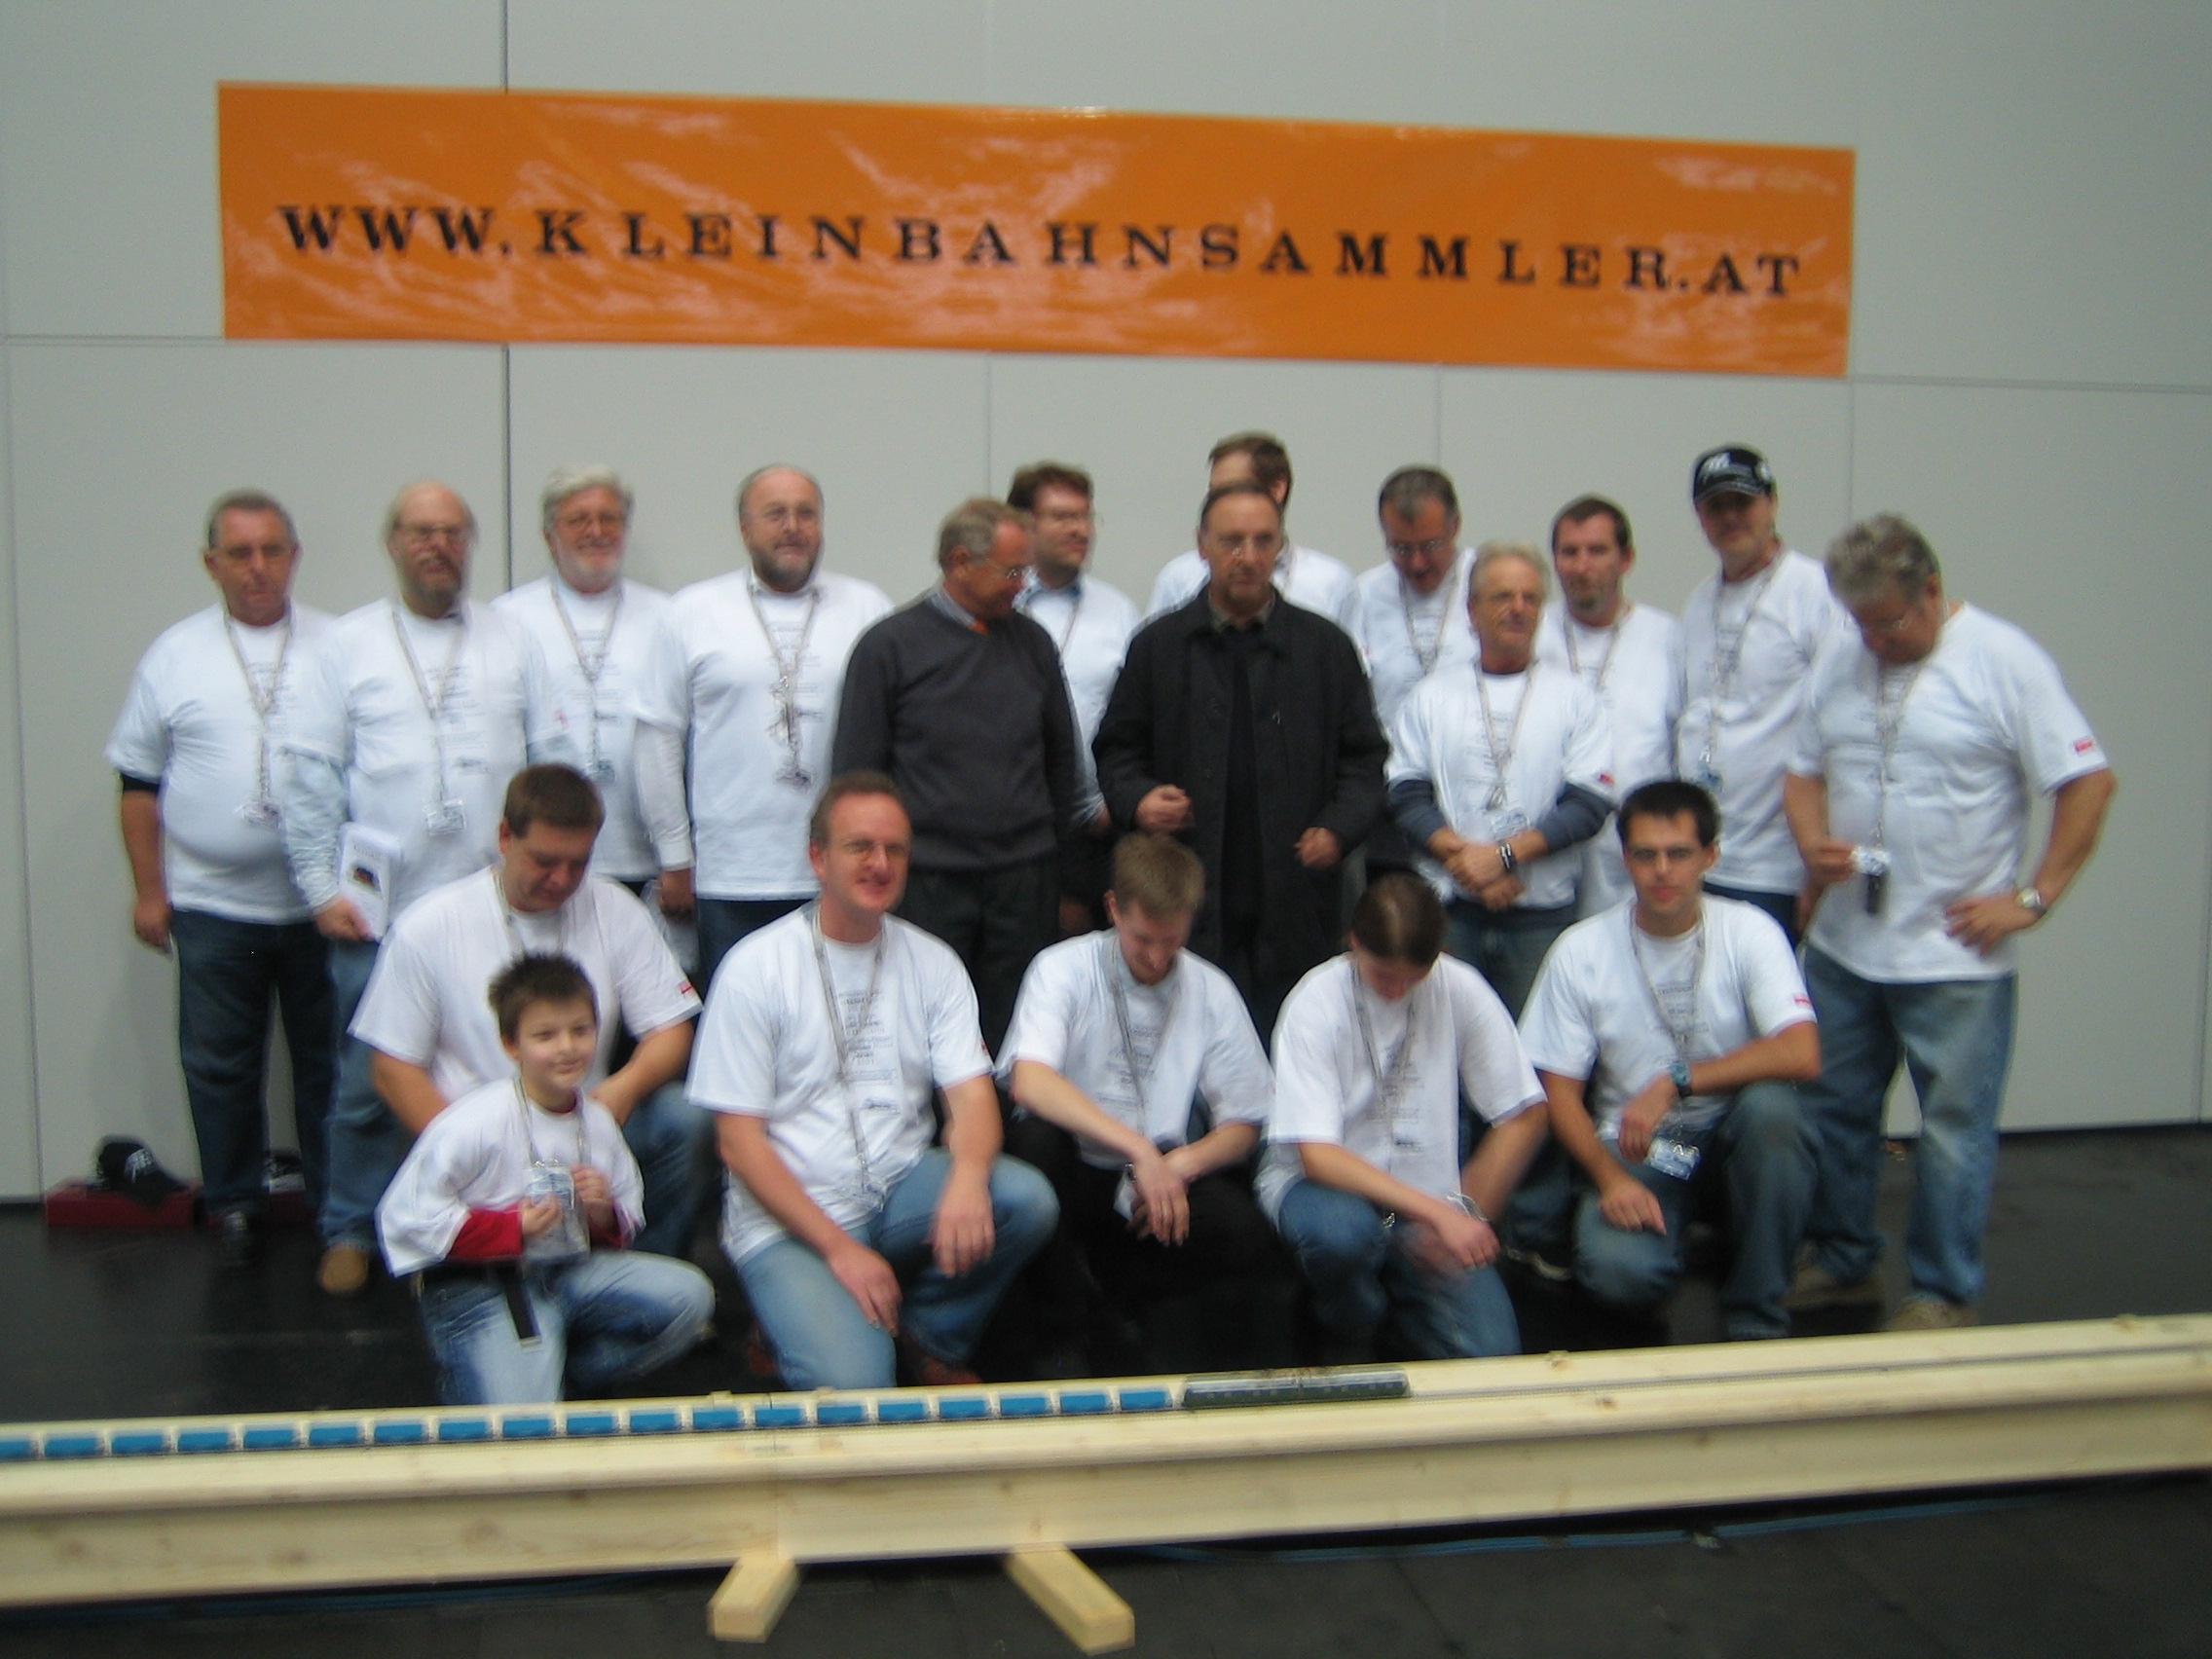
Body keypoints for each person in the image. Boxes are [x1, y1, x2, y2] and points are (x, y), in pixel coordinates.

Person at [1784, 514, 2116, 1331]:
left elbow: (2088, 782)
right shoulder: (1843, 655)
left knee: (1954, 1134)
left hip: (1954, 957)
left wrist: (2033, 898)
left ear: (1932, 590)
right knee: (1834, 1112)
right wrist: (1812, 843)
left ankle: (1941, 1292)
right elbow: (1801, 770)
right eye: (1862, 625)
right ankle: (1842, 1259)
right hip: (1846, 947)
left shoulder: (2004, 660)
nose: (1875, 642)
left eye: (1890, 624)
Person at [279, 480, 569, 1295]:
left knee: (494, 1076)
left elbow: (550, 764)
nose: (437, 546)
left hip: (494, 909)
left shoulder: (512, 639)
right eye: (420, 532)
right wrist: (318, 889)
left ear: (469, 542)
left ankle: (478, 1225)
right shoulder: (346, 646)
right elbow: (309, 775)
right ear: (393, 544)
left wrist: (548, 874)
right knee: (367, 1082)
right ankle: (349, 1229)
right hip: (381, 916)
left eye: (452, 532)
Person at [690, 773, 1058, 1390]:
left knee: (1025, 1201)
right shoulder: (755, 968)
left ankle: (928, 1334)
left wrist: (969, 1178)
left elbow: (972, 1096)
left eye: (895, 849)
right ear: (818, 857)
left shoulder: (933, 962)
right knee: (860, 1388)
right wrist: (841, 1251)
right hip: (794, 1214)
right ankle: (787, 1322)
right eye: (860, 846)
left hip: (895, 1186)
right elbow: (739, 1144)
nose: (880, 864)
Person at [348, 764, 711, 1261]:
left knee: (686, 1119)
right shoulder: (430, 925)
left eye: (578, 864)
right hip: (484, 1144)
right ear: (505, 837)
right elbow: (393, 1068)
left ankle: (641, 1263)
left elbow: (671, 1029)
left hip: (583, 1128)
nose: (561, 880)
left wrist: (622, 1090)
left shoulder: (614, 907)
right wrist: (465, 1150)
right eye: (544, 861)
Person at [105, 489, 334, 1267]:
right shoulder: (175, 655)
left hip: (321, 907)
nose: (257, 567)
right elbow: (138, 784)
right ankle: (235, 1203)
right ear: (211, 564)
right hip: (211, 905)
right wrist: (149, 891)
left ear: (294, 557)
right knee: (219, 1066)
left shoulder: (339, 647)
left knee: (329, 1065)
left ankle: (338, 1210)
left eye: (272, 550)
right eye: (239, 553)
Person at [1518, 781, 1820, 1340]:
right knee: (1618, 1277)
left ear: (1711, 856)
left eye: (1679, 853)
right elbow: (1558, 1094)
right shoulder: (1581, 950)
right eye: (1646, 855)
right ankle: (1679, 1239)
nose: (1662, 871)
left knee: (1775, 1113)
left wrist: (1676, 1081)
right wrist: (1610, 1180)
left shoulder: (1750, 931)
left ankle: (1756, 1313)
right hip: (1638, 1148)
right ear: (1625, 858)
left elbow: (1802, 1052)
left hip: (1731, 1135)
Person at [1095, 481, 1387, 1040]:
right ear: (1201, 545)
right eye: (1231, 541)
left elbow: (1366, 761)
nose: (1247, 556)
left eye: (1263, 541)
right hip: (1187, 893)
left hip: (1296, 894)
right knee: (1190, 1042)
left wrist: (1340, 828)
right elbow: (1116, 749)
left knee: (1291, 1039)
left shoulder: (1325, 648)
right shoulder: (1158, 646)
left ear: (1280, 547)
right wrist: (1138, 799)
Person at [378, 954, 715, 1405]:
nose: (566, 1047)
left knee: (689, 1297)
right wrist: (509, 1227)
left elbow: (624, 1217)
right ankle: (501, 1382)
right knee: (522, 1424)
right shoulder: (473, 1122)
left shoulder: (597, 1121)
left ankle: (560, 1382)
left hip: (566, 1271)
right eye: (545, 1035)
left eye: (580, 1030)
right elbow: (405, 1218)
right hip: (483, 1284)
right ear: (511, 1045)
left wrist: (601, 1214)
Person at [1001, 833, 1276, 1350]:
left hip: (1161, 1174)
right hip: (1079, 1161)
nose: (1155, 956)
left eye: (1171, 941)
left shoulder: (1211, 988)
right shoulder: (1063, 967)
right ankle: (1067, 1322)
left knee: (1243, 1231)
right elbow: (1030, 1080)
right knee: (1033, 1145)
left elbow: (1244, 1122)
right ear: (1113, 909)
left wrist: (1181, 1165)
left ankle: (1127, 1304)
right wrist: (1138, 1149)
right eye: (1142, 938)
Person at [1258, 873, 1548, 1361]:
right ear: (1354, 944)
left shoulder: (1460, 987)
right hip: (1328, 1190)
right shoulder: (1316, 1001)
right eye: (1382, 976)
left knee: (1491, 1353)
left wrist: (1467, 1209)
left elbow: (1525, 1114)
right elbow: (1318, 1155)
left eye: (1414, 978)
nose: (1397, 991)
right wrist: (1438, 1213)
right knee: (1343, 1237)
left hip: (1426, 1200)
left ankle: (1397, 1307)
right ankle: (1352, 1323)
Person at [831, 498, 1080, 1052]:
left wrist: (1058, 860)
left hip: (1023, 882)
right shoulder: (888, 647)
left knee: (1016, 1035)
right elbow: (857, 778)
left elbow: (1062, 761)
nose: (1022, 585)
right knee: (926, 1032)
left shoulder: (1033, 643)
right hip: (927, 884)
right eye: (1011, 572)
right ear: (961, 562)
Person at [636, 465, 892, 989]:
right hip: (729, 875)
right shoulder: (692, 612)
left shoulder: (868, 608)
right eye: (775, 514)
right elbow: (657, 740)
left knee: (838, 1013)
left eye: (806, 514)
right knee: (739, 1015)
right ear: (744, 527)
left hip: (841, 869)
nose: (792, 527)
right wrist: (674, 857)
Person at [1387, 541, 1613, 1018]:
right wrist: (1468, 864)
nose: (1518, 609)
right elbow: (1406, 794)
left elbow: (1589, 804)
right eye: (1503, 597)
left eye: (1531, 598)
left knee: (1534, 1049)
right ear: (1472, 610)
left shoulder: (1576, 698)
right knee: (1447, 1045)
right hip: (1451, 912)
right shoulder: (1432, 696)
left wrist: (1503, 857)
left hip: (1541, 915)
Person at [1676, 446, 1853, 940]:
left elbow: (1839, 727)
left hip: (1774, 866)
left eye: (1743, 502)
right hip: (1701, 857)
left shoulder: (1817, 593)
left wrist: (1816, 861)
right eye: (1716, 506)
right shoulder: (1699, 602)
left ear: (1772, 503)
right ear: (1700, 517)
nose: (1730, 517)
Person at [493, 465, 672, 892]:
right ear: (549, 535)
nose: (596, 531)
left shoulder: (668, 616)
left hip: (645, 855)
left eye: (609, 519)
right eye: (579, 520)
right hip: (547, 854)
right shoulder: (507, 620)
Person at [1008, 461, 1141, 935]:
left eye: (1086, 517)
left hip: (1095, 832)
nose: (1080, 530)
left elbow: (1138, 723)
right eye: (1063, 517)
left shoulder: (1119, 612)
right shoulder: (995, 604)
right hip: (1009, 830)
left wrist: (1115, 801)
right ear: (1024, 523)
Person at [1534, 495, 1683, 915]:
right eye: (1570, 552)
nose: (1582, 566)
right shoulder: (1532, 632)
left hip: (1635, 849)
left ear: (1627, 558)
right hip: (1545, 844)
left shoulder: (1668, 637)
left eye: (1597, 551)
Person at [1145, 431, 1361, 633]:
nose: (1219, 502)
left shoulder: (1330, 581)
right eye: (1214, 492)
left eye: (1233, 488)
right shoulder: (1180, 578)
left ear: (1277, 489)